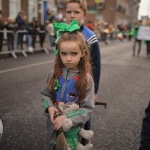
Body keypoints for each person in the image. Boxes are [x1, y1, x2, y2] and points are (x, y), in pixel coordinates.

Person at [41, 20, 95, 150]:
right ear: (58, 53)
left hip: (72, 127)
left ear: (82, 53)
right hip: (53, 126)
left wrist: (67, 117)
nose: (68, 58)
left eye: (74, 53)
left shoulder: (87, 79)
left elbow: (87, 109)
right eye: (63, 54)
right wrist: (49, 107)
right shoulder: (53, 74)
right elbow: (45, 94)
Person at [65, 0, 101, 145]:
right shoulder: (63, 33)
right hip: (66, 82)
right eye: (69, 12)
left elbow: (96, 66)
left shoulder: (90, 36)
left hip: (83, 84)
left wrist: (95, 91)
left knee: (83, 115)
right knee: (65, 114)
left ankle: (84, 144)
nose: (72, 16)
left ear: (84, 14)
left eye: (76, 12)